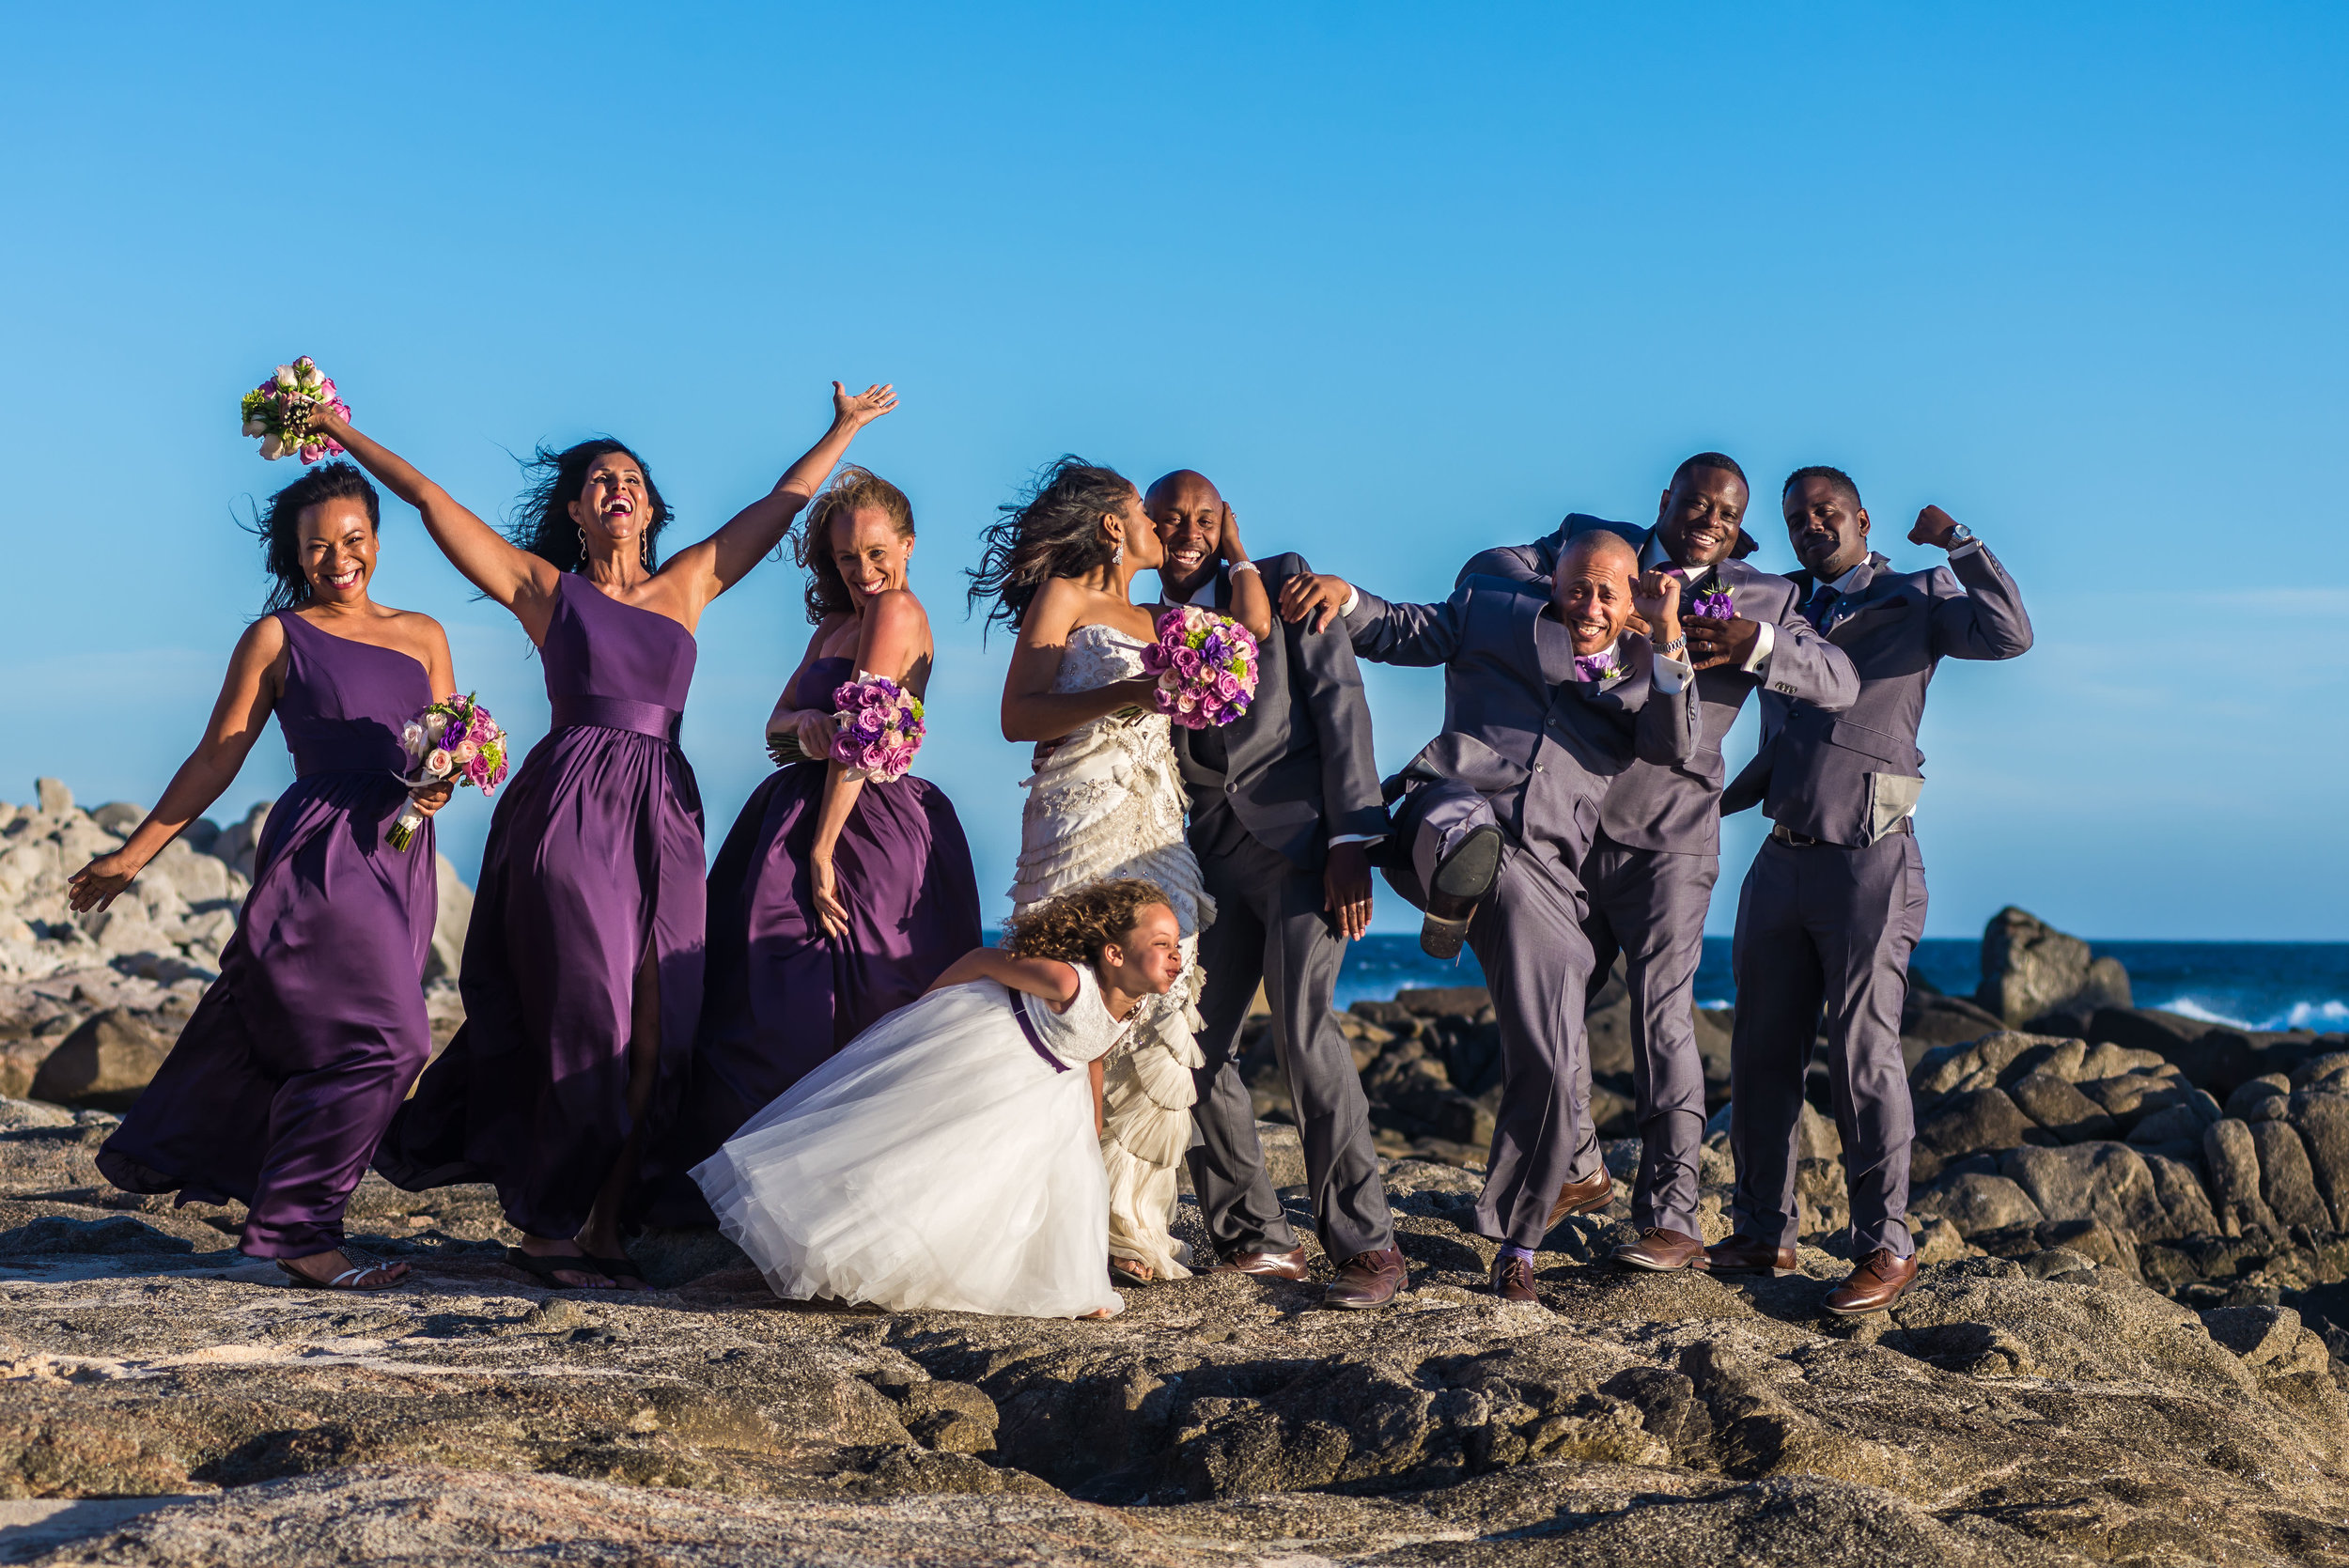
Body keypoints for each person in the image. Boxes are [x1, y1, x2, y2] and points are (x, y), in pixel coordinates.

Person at [321, 382, 896, 1290]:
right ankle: (547, 1225)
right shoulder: (545, 589)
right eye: (598, 481)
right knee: (590, 1009)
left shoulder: (690, 583)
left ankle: (602, 1221)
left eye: (630, 478)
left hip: (665, 803)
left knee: (665, 1026)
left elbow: (783, 501)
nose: (616, 487)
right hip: (572, 805)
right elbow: (432, 503)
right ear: (576, 511)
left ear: (652, 507)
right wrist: (341, 432)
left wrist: (843, 430)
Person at [1440, 455, 1860, 1272]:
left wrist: (1757, 643)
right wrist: (1598, 605)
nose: (1710, 517)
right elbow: (1491, 570)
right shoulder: (1594, 550)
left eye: (1728, 512)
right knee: (1548, 1009)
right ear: (1665, 498)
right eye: (1697, 501)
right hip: (1569, 828)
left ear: (1741, 528)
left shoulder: (1768, 596)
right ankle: (1583, 1164)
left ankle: (1671, 1217)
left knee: (1662, 1018)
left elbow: (1839, 681)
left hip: (1673, 838)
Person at [1280, 533, 1699, 1303]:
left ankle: (1521, 1239)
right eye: (1579, 589)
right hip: (1448, 808)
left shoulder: (1649, 669)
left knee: (1547, 1051)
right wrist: (1349, 600)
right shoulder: (1494, 609)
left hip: (1543, 870)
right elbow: (1407, 629)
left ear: (1634, 595)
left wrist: (1669, 638)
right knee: (1459, 824)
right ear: (1555, 584)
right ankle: (1451, 890)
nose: (1591, 606)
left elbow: (1674, 746)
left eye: (1610, 593)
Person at [72, 462, 455, 1291]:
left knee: (347, 1040)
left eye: (354, 540)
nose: (338, 558)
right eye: (318, 547)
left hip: (399, 851)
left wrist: (440, 786)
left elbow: (446, 748)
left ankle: (287, 1225)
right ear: (295, 554)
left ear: (377, 542)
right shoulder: (277, 637)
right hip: (320, 852)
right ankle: (292, 1233)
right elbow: (218, 753)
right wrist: (133, 857)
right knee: (396, 1038)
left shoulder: (425, 634)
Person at [1710, 468, 2031, 1314]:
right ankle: (1761, 1230)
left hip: (1871, 859)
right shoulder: (1786, 609)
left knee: (1862, 1057)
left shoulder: (1915, 594)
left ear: (1859, 517)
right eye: (1795, 520)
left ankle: (1885, 1245)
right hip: (1780, 859)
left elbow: (2009, 635)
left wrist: (1961, 542)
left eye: (1824, 513)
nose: (1810, 526)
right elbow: (1783, 742)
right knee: (1760, 1052)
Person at [642, 466, 980, 1224]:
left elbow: (865, 744)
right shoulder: (833, 626)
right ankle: (760, 1199)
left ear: (909, 546)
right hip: (796, 815)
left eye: (875, 552)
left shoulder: (897, 610)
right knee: (759, 993)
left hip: (866, 828)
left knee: (856, 1002)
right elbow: (774, 724)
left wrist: (823, 849)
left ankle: (842, 1206)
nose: (863, 572)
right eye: (846, 559)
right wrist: (806, 728)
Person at [971, 457, 1269, 1288]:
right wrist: (1131, 693)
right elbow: (1016, 714)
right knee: (1077, 1001)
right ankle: (1063, 1214)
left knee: (1169, 989)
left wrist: (1237, 546)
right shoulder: (1064, 595)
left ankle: (1128, 1221)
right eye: (1146, 512)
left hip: (1154, 818)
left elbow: (1250, 632)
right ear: (1113, 526)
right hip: (1080, 812)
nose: (1161, 529)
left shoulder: (1157, 614)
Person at [1144, 469, 1405, 1310]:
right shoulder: (1142, 621)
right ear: (1145, 530)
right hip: (1209, 858)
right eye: (1171, 519)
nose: (1187, 532)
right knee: (1187, 1043)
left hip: (1302, 852)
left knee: (1302, 1030)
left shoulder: (1287, 581)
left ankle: (1367, 1244)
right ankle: (1255, 1236)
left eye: (1203, 518)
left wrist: (1350, 841)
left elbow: (1341, 707)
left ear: (1225, 525)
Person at [694, 879, 1184, 1320]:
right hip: (995, 1060)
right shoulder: (1066, 981)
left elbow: (1093, 1053)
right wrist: (926, 1012)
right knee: (942, 1165)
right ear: (1115, 954)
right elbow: (979, 961)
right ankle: (882, 1258)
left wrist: (1093, 1121)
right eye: (1161, 945)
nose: (1175, 955)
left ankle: (1070, 1285)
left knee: (1063, 1181)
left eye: (1177, 946)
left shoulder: (1135, 1004)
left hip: (1053, 1087)